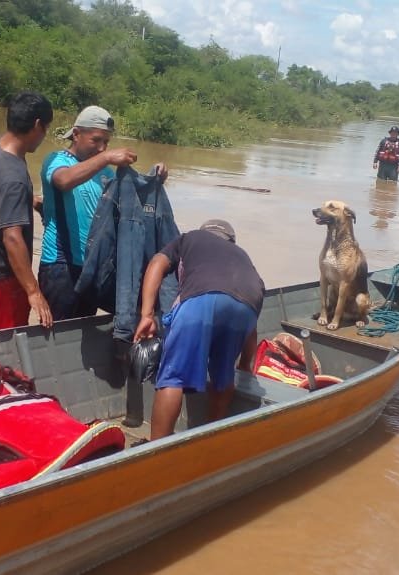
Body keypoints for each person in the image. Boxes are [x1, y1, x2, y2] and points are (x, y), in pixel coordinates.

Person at [134, 219, 264, 439]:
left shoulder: (191, 238)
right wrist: (243, 365)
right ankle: (211, 441)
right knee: (224, 379)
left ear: (207, 232)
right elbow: (251, 333)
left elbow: (157, 262)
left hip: (200, 299)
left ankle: (154, 452)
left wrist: (147, 314)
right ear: (231, 241)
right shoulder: (244, 258)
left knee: (173, 377)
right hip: (247, 306)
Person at [37, 106, 167, 321]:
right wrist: (106, 157)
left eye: (106, 142)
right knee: (58, 336)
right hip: (61, 267)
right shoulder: (58, 161)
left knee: (84, 336)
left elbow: (131, 206)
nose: (101, 148)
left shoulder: (105, 173)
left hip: (92, 268)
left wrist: (155, 180)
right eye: (96, 140)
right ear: (76, 134)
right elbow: (63, 181)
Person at [0, 91, 54, 331]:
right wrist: (33, 291)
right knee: (8, 340)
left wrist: (33, 201)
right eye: (46, 128)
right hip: (6, 274)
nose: (44, 136)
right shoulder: (12, 175)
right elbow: (11, 237)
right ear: (37, 125)